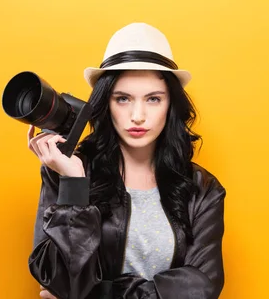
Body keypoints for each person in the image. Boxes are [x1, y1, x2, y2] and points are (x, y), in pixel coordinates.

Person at [26, 23, 226, 299]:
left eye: (153, 99)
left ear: (171, 106)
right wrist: (73, 185)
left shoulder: (202, 189)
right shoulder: (66, 174)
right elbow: (59, 280)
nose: (138, 115)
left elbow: (201, 287)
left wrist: (97, 293)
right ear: (105, 104)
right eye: (123, 99)